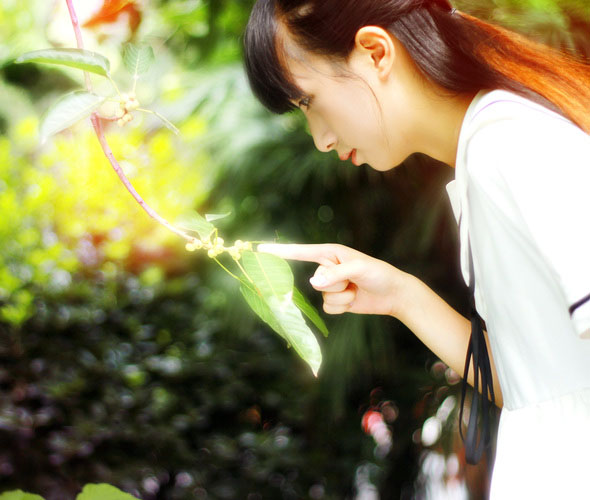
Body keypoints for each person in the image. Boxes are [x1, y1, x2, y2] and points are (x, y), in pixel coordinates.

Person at [242, 0, 590, 497]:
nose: (318, 138)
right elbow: (533, 384)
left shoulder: (510, 147)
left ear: (376, 53)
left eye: (307, 102)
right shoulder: (483, 154)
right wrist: (402, 297)